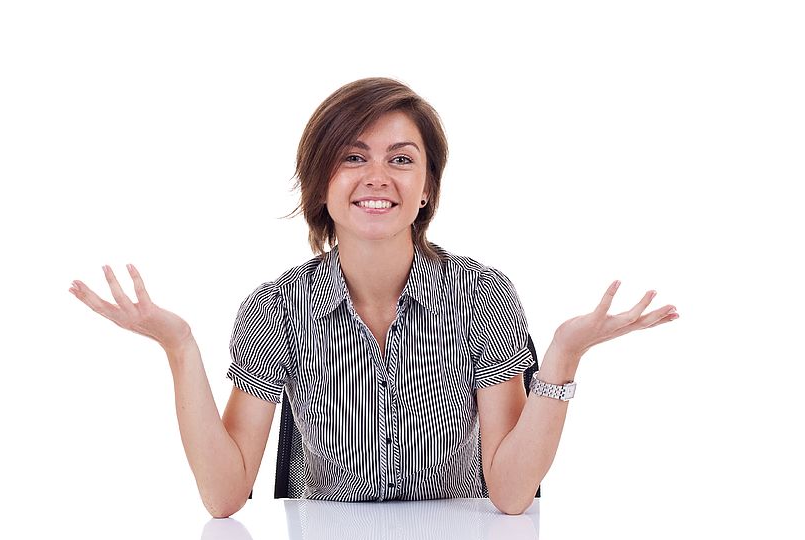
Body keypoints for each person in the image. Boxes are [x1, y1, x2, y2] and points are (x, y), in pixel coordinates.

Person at [69, 77, 679, 517]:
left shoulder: (479, 293)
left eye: (401, 159)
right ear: (321, 183)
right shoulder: (276, 308)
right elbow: (225, 496)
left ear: (427, 188)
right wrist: (178, 346)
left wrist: (565, 355)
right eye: (353, 157)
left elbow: (513, 495)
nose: (376, 176)